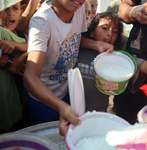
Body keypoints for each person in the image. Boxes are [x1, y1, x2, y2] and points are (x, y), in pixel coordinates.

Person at [23, 0, 114, 136]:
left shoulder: (78, 9)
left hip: (67, 90)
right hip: (44, 100)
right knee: (50, 137)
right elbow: (30, 77)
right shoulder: (41, 21)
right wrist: (60, 106)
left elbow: (74, 37)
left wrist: (96, 45)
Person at [77, 11, 124, 112]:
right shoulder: (78, 50)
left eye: (115, 31)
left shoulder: (114, 59)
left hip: (97, 112)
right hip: (71, 109)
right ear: (92, 31)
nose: (110, 34)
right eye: (104, 28)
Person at [0, 0, 28, 133]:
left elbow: (32, 45)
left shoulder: (21, 35)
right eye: (5, 9)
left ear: (21, 13)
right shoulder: (2, 33)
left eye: (15, 9)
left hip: (20, 98)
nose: (10, 13)